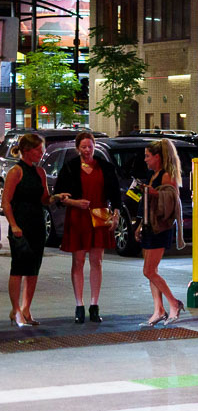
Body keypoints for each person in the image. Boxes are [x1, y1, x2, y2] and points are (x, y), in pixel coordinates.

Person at [54, 131, 120, 324]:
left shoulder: (105, 167)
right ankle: (79, 305)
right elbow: (59, 196)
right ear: (78, 148)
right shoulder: (70, 167)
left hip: (99, 215)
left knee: (97, 261)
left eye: (90, 147)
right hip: (78, 217)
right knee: (78, 261)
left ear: (94, 147)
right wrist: (74, 202)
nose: (87, 150)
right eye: (83, 147)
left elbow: (115, 194)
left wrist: (115, 214)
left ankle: (94, 304)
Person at [137, 139, 185, 326]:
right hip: (150, 226)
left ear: (157, 157)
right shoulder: (155, 175)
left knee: (148, 270)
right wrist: (140, 225)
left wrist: (154, 193)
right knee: (151, 271)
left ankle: (173, 303)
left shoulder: (166, 176)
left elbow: (171, 201)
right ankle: (159, 309)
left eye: (148, 156)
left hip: (161, 228)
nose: (145, 160)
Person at [5, 133, 48, 327]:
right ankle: (15, 310)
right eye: (38, 149)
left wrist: (58, 198)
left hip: (37, 224)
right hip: (20, 226)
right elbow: (6, 202)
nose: (41, 153)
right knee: (19, 268)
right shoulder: (16, 171)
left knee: (33, 270)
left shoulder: (40, 173)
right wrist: (13, 225)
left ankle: (26, 309)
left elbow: (45, 198)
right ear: (27, 151)